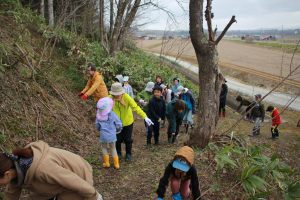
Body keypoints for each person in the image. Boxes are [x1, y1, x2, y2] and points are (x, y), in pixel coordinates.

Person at [0, 141, 103, 200]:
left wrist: (95, 196)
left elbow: (74, 182)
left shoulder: (43, 168)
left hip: (78, 174)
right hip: (54, 183)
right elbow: (11, 194)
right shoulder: (15, 167)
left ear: (7, 174)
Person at [109, 83, 153, 161]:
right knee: (117, 139)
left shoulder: (126, 97)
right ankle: (118, 153)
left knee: (128, 139)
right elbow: (103, 109)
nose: (116, 96)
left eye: (118, 94)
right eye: (115, 94)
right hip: (116, 123)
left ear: (122, 92)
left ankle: (128, 153)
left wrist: (145, 116)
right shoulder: (109, 99)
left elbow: (136, 107)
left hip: (128, 122)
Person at [96, 97, 122, 169]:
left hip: (103, 135)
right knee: (113, 148)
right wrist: (119, 129)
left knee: (104, 148)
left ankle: (107, 163)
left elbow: (97, 125)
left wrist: (99, 129)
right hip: (112, 135)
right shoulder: (112, 114)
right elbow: (118, 123)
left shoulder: (98, 115)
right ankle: (116, 164)